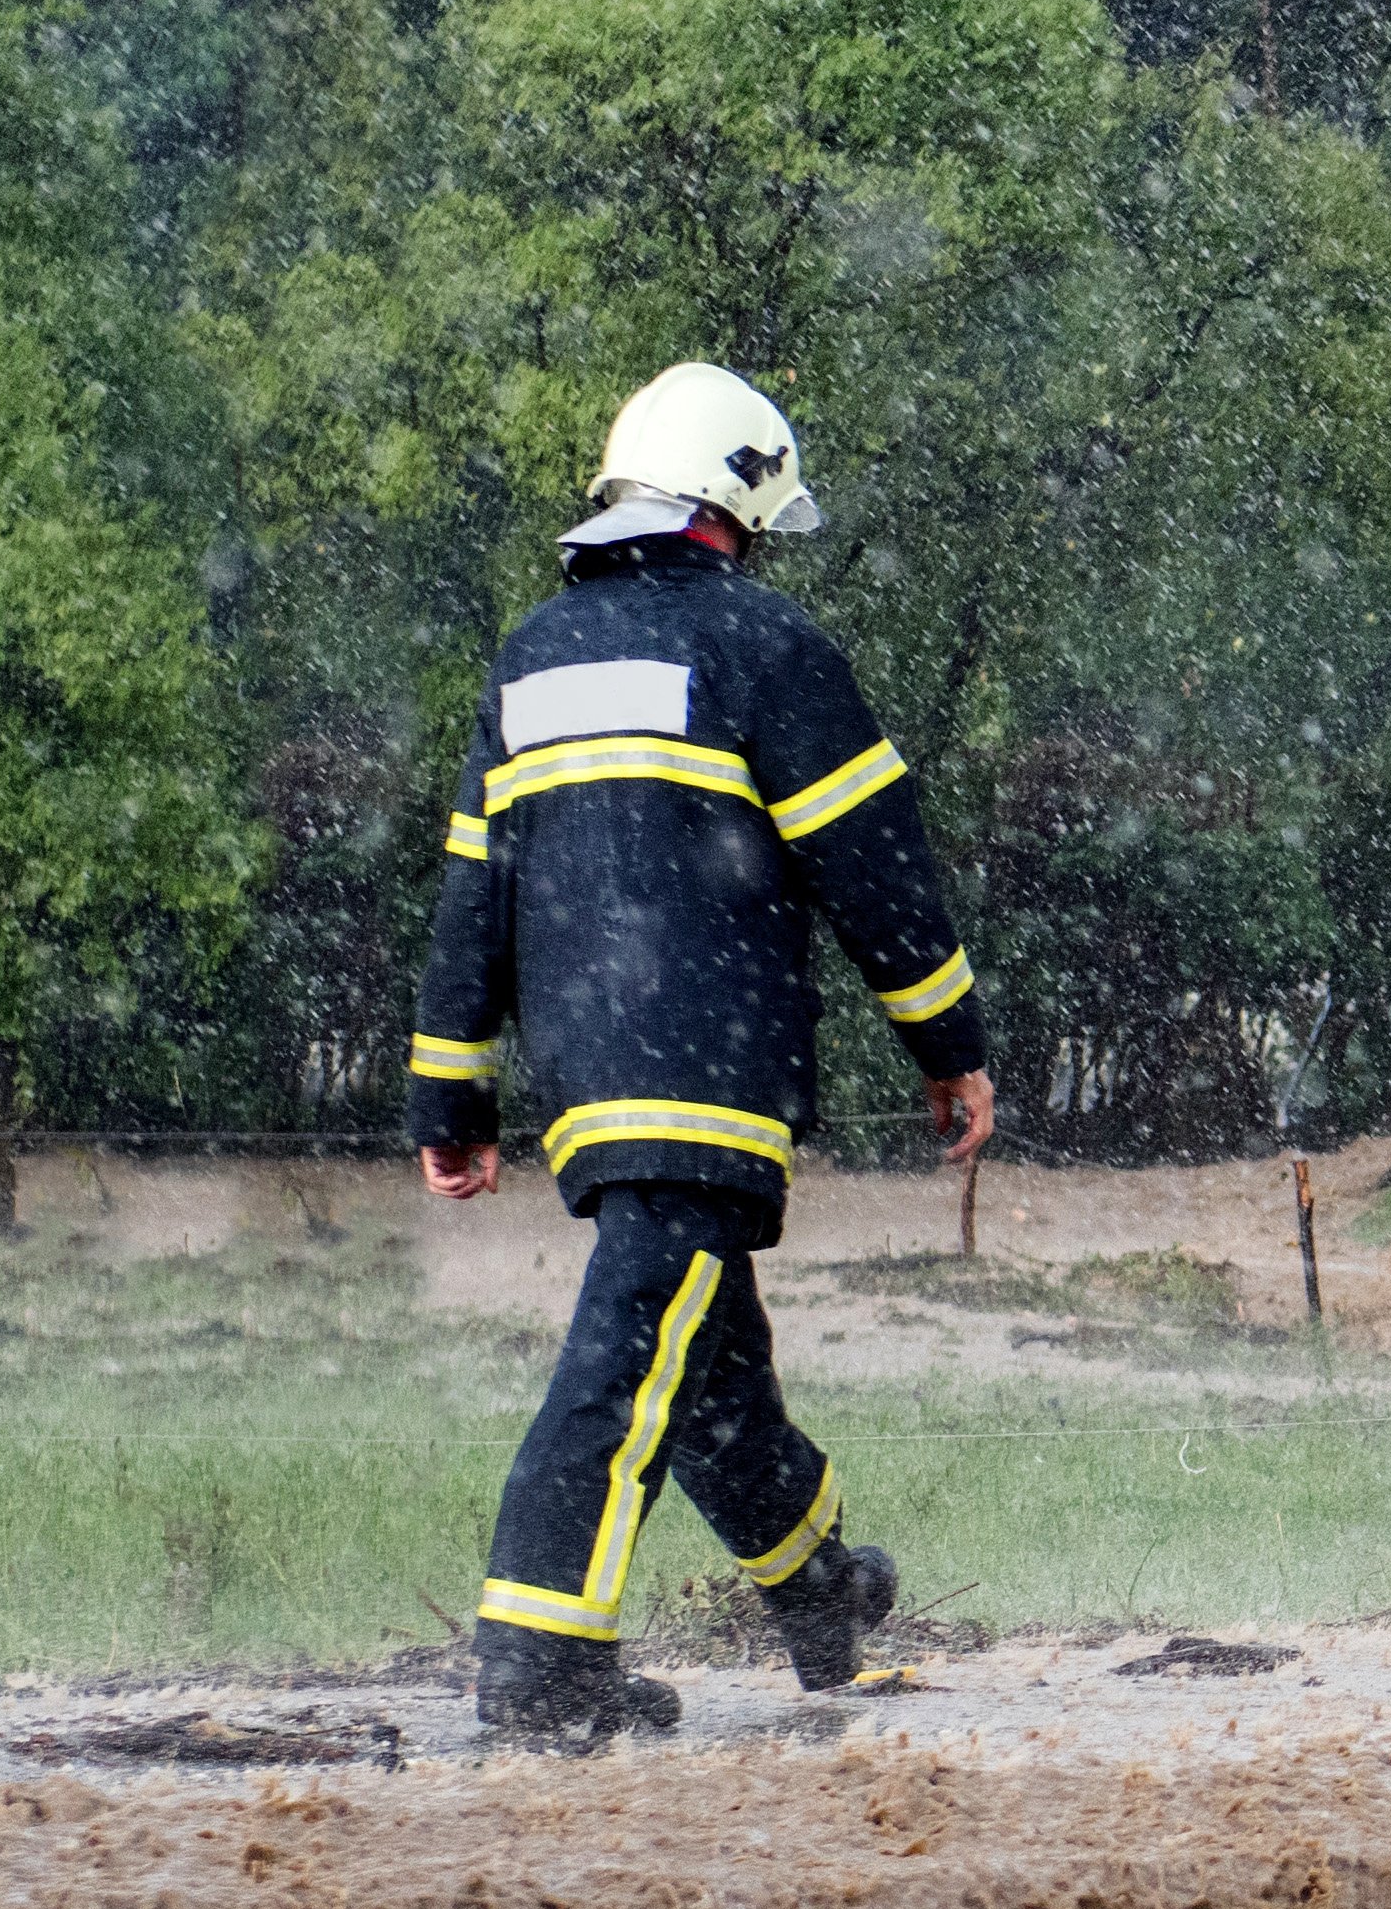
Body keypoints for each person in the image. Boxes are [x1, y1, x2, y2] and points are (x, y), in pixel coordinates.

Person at [410, 362, 989, 1748]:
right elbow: (875, 866)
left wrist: (452, 1087)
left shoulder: (533, 655)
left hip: (587, 1083)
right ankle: (540, 1661)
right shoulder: (764, 645)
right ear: (732, 501)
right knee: (624, 1364)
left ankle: (821, 1597)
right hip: (713, 1071)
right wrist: (948, 1041)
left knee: (709, 1363)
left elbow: (475, 888)